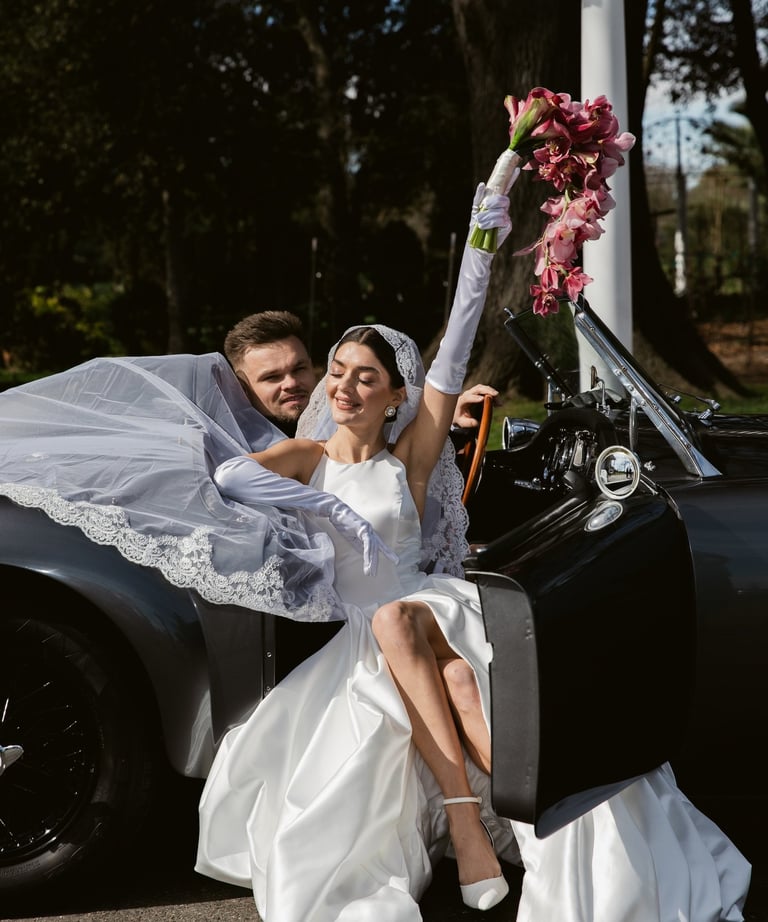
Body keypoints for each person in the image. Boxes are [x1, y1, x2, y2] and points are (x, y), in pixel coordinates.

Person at [194, 181, 751, 922]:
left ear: (396, 395)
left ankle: (488, 827)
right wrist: (322, 503)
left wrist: (482, 243)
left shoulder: (409, 459)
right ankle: (490, 825)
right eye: (338, 372)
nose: (344, 386)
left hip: (429, 607)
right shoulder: (306, 457)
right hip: (364, 639)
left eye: (366, 376)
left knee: (412, 630)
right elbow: (227, 477)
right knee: (450, 675)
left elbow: (453, 350)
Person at [223, 310, 499, 438]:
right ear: (242, 386)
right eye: (272, 378)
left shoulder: (346, 414)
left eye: (299, 369)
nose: (292, 383)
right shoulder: (235, 445)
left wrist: (442, 416)